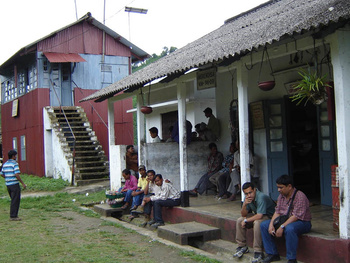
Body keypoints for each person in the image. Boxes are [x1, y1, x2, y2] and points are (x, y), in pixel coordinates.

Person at [260, 175, 312, 263]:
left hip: (302, 222)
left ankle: (291, 259)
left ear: (289, 186)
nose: (278, 190)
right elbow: (277, 211)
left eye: (281, 187)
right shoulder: (281, 196)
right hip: (285, 220)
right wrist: (271, 224)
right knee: (264, 225)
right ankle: (272, 254)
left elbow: (296, 216)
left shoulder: (300, 196)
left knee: (290, 229)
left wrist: (282, 227)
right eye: (278, 187)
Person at [233, 182, 276, 263]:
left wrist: (246, 220)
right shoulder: (248, 199)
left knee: (257, 223)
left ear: (254, 190)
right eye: (246, 193)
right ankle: (242, 246)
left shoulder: (261, 197)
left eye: (250, 192)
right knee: (239, 220)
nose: (249, 195)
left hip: (270, 217)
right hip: (259, 215)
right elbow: (243, 214)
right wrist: (244, 205)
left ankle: (258, 251)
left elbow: (260, 216)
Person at [1, 149, 27, 221]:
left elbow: (1, 174)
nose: (16, 157)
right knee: (15, 200)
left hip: (8, 184)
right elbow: (16, 174)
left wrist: (7, 177)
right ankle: (13, 216)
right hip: (14, 184)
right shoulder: (14, 164)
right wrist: (22, 183)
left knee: (13, 199)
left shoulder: (5, 164)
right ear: (13, 156)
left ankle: (13, 215)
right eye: (15, 155)